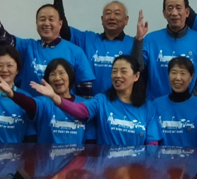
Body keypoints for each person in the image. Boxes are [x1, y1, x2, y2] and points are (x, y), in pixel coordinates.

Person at [0, 0, 96, 98]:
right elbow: (3, 39)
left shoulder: (76, 52)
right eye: (42, 19)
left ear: (60, 24)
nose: (46, 23)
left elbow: (85, 92)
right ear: (36, 23)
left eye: (51, 19)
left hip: (63, 110)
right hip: (30, 108)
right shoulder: (27, 47)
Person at [30, 55, 161, 146]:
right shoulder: (101, 100)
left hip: (134, 170)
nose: (117, 75)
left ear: (136, 76)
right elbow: (79, 110)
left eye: (123, 71)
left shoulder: (148, 107)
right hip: (106, 170)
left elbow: (152, 143)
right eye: (114, 71)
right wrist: (55, 97)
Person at [52, 0, 147, 95]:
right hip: (89, 102)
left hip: (120, 103)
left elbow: (139, 70)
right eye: (108, 13)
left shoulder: (133, 44)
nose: (112, 17)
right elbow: (62, 30)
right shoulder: (87, 39)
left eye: (117, 13)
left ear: (126, 20)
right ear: (102, 19)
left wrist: (139, 39)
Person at [140, 0, 197, 101]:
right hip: (155, 105)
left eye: (178, 8)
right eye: (170, 8)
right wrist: (138, 39)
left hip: (189, 107)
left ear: (187, 12)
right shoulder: (150, 39)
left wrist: (191, 103)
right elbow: (137, 69)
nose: (174, 13)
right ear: (164, 13)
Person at [6, 58, 93, 145]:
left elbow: (91, 139)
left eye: (61, 73)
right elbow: (29, 103)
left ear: (70, 76)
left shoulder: (85, 104)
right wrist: (12, 94)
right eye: (53, 74)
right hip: (46, 154)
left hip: (78, 154)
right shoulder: (44, 102)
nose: (57, 78)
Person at [152, 57, 197, 147]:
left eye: (183, 73)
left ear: (191, 77)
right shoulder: (156, 104)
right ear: (168, 75)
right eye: (174, 73)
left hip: (192, 156)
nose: (178, 78)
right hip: (162, 156)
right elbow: (152, 139)